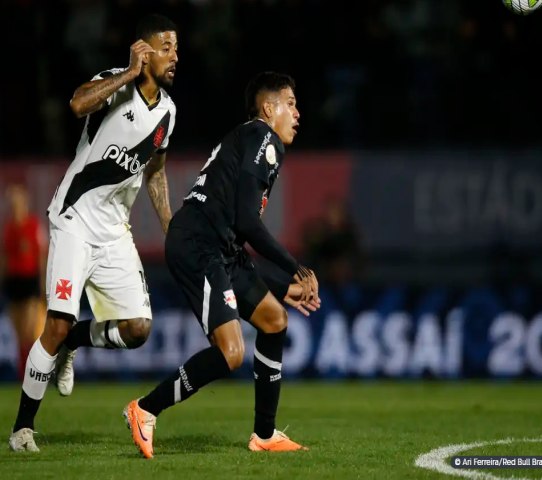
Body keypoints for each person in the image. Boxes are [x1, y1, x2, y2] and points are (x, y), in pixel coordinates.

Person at [123, 71, 320, 459]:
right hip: (200, 245)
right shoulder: (264, 139)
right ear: (269, 108)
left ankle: (264, 434)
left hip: (219, 247)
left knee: (274, 320)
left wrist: (281, 287)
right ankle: (145, 408)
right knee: (231, 352)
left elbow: (236, 233)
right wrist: (296, 267)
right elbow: (248, 223)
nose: (297, 112)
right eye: (291, 103)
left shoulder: (251, 139)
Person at [9, 14, 179, 453]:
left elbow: (155, 173)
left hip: (114, 232)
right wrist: (126, 72)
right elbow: (77, 104)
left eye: (176, 48)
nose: (174, 56)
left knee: (138, 328)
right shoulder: (115, 83)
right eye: (165, 47)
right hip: (73, 221)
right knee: (56, 322)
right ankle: (22, 428)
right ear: (143, 49)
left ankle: (73, 345)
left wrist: (168, 225)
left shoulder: (168, 112)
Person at [1, 185, 47, 381]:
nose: (15, 207)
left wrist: (43, 283)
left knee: (30, 329)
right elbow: (4, 257)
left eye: (18, 203)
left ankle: (34, 372)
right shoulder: (9, 229)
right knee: (19, 334)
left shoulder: (34, 226)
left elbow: (41, 257)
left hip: (30, 281)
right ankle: (24, 374)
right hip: (14, 282)